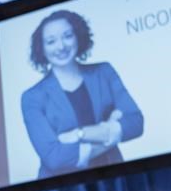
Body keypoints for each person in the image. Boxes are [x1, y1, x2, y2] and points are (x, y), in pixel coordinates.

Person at [21, 9, 143, 178]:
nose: (61, 46)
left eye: (67, 36)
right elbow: (54, 157)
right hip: (64, 186)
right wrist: (109, 132)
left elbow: (136, 122)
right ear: (41, 48)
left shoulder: (104, 72)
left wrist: (79, 134)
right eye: (51, 41)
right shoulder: (32, 97)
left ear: (78, 37)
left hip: (114, 175)